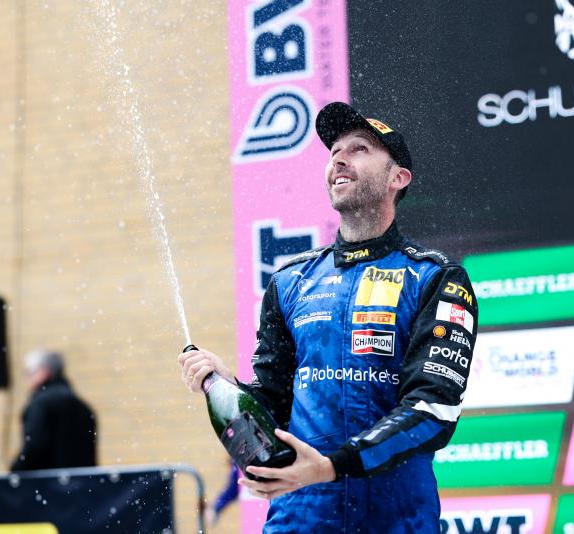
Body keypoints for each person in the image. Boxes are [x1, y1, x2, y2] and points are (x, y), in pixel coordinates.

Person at [179, 102, 478, 532]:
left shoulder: (436, 278)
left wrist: (333, 466)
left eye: (359, 149)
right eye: (334, 151)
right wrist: (227, 387)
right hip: (300, 520)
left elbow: (434, 410)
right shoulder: (289, 282)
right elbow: (274, 409)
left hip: (395, 522)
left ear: (397, 178)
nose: (338, 159)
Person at [11, 349, 97, 471]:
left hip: (46, 481)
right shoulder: (83, 407)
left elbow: (34, 447)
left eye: (29, 372)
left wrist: (16, 469)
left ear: (44, 372)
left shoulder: (40, 404)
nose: (26, 378)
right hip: (82, 481)